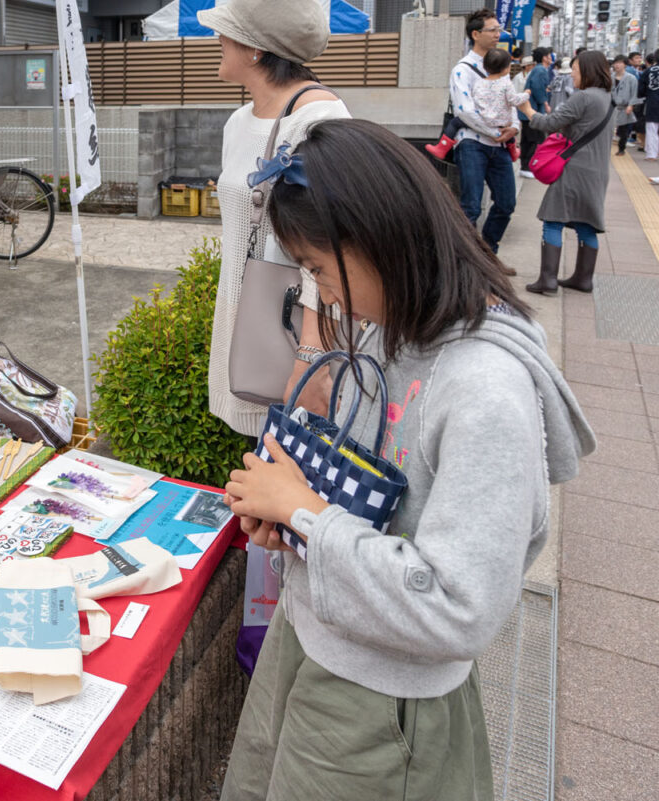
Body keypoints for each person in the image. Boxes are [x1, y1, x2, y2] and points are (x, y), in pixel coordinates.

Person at [218, 118, 595, 801]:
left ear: (381, 239)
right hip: (315, 645)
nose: (321, 293)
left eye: (318, 269)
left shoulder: (485, 390)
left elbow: (461, 606)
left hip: (384, 704)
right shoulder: (396, 331)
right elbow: (370, 506)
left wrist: (306, 511)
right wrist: (292, 520)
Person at [196, 0, 350, 432]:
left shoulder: (320, 118)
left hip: (296, 328)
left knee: (299, 453)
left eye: (226, 30)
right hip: (246, 313)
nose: (217, 38)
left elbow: (331, 246)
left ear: (257, 49)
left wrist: (312, 356)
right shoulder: (239, 120)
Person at [517, 50, 613, 294]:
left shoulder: (583, 98)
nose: (572, 75)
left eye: (576, 70)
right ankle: (583, 279)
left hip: (575, 169)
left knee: (553, 220)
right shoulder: (608, 98)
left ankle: (547, 281)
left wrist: (527, 110)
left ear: (588, 72)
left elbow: (549, 123)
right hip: (599, 170)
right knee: (587, 223)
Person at [449, 9, 518, 258]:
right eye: (493, 30)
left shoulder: (501, 63)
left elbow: (511, 101)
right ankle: (464, 260)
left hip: (498, 146)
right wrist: (493, 131)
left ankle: (488, 254)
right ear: (476, 34)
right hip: (472, 144)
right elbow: (464, 111)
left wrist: (514, 128)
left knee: (506, 203)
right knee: (470, 206)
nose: (498, 34)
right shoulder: (462, 70)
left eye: (499, 30)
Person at [427, 48, 526, 162]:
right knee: (507, 131)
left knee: (455, 122)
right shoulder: (506, 84)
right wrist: (525, 95)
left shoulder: (479, 83)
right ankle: (513, 151)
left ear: (484, 66)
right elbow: (513, 100)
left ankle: (442, 147)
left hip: (482, 117)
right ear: (506, 69)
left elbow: (472, 103)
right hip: (500, 121)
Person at [521, 47, 553, 176]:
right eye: (549, 55)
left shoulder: (537, 69)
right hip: (533, 110)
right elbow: (537, 87)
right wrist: (545, 102)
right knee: (535, 139)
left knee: (528, 139)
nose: (551, 58)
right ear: (545, 57)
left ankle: (525, 167)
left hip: (528, 110)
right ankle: (528, 167)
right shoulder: (541, 70)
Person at [612, 55, 638, 155]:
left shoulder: (631, 78)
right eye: (616, 63)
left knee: (623, 130)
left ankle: (621, 149)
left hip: (625, 107)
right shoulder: (610, 77)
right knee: (609, 129)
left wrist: (631, 105)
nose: (617, 65)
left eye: (620, 63)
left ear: (625, 64)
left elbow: (634, 93)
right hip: (612, 106)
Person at [640, 50, 659, 160]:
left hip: (653, 103)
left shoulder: (649, 71)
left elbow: (641, 89)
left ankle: (652, 154)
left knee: (652, 129)